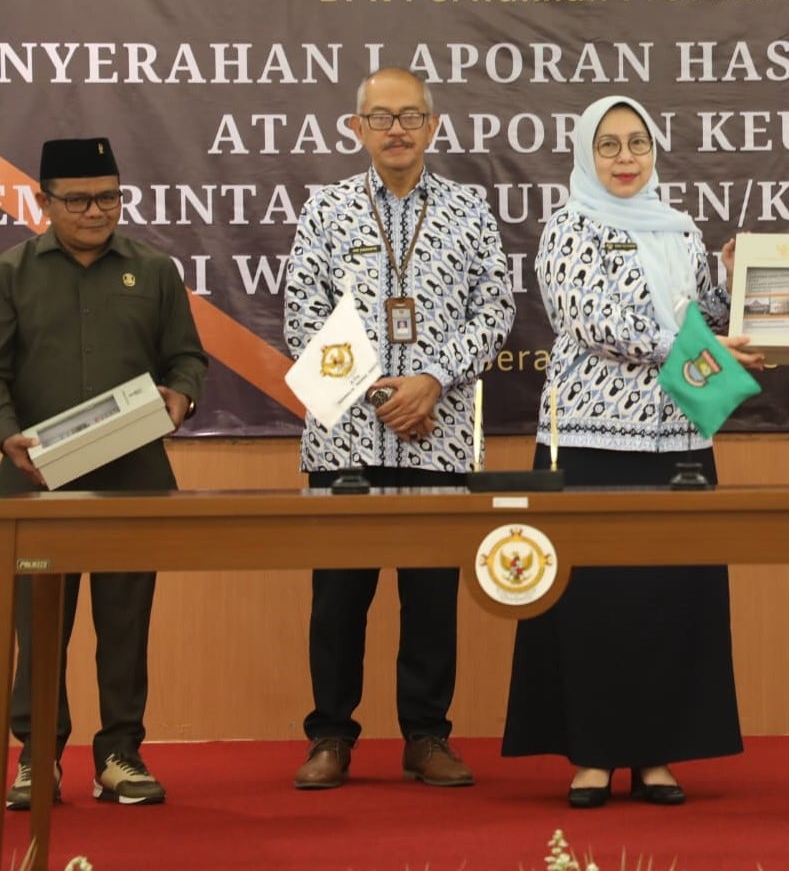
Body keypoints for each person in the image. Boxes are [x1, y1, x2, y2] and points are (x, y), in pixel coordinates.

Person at [501, 94, 758, 808]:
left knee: (671, 600)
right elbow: (591, 322)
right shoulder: (568, 226)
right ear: (586, 153)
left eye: (636, 145)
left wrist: (738, 285)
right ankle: (590, 755)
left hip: (678, 435)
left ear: (653, 152)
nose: (623, 159)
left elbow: (704, 314)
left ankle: (655, 754)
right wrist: (695, 342)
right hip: (588, 439)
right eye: (608, 145)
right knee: (592, 602)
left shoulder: (679, 230)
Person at [283, 68, 514, 790]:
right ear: (356, 129)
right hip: (344, 443)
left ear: (433, 126)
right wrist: (380, 393)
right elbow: (301, 320)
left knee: (430, 601)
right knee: (338, 601)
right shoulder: (325, 210)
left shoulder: (470, 210)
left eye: (410, 116)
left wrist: (431, 381)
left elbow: (495, 311)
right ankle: (329, 736)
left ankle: (425, 736)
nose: (396, 130)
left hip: (436, 439)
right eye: (380, 118)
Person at [0, 137, 208, 810]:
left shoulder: (153, 270)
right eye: (80, 199)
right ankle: (37, 758)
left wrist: (182, 394)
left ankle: (120, 753)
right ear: (43, 202)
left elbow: (186, 358)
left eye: (110, 197)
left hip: (132, 480)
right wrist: (8, 436)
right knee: (39, 624)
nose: (97, 211)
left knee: (125, 623)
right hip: (36, 485)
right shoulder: (12, 272)